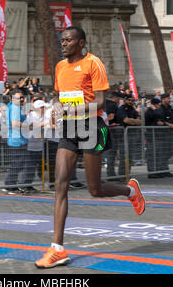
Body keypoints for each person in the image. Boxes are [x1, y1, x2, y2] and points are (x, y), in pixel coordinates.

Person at [34, 26, 145, 269]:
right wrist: (55, 108)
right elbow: (59, 96)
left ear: (81, 43)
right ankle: (57, 249)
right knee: (60, 184)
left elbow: (100, 101)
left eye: (68, 40)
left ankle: (130, 192)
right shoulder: (60, 67)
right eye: (62, 40)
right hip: (69, 129)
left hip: (91, 126)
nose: (63, 44)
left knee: (95, 189)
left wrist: (70, 110)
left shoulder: (93, 63)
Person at [3, 91, 28, 194]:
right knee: (18, 164)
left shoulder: (11, 106)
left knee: (17, 164)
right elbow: (15, 123)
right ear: (12, 99)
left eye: (22, 97)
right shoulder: (15, 108)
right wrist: (29, 126)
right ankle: (9, 185)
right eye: (18, 98)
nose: (21, 99)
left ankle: (10, 184)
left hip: (15, 139)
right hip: (18, 140)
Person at [115, 95, 142, 177]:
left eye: (132, 100)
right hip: (123, 135)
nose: (131, 101)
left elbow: (140, 121)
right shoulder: (122, 108)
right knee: (124, 155)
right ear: (125, 100)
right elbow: (126, 120)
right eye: (129, 100)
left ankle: (127, 173)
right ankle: (122, 174)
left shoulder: (133, 109)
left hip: (132, 134)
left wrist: (132, 121)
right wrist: (134, 121)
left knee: (130, 155)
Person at [103, 92, 121, 179]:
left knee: (109, 153)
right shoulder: (112, 104)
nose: (119, 100)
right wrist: (104, 123)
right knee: (111, 152)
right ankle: (111, 174)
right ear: (115, 97)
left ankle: (111, 173)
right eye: (118, 98)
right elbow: (111, 117)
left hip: (106, 130)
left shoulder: (103, 103)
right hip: (111, 131)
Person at [144, 98, 165, 178]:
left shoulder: (157, 111)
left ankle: (157, 171)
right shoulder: (149, 111)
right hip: (151, 135)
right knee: (152, 154)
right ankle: (152, 172)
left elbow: (160, 117)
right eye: (158, 104)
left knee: (158, 154)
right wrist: (154, 110)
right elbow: (152, 117)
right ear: (155, 104)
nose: (159, 106)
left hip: (157, 135)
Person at [157, 93, 173, 177]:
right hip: (163, 133)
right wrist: (169, 124)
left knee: (170, 151)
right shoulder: (160, 108)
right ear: (163, 99)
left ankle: (164, 168)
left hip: (170, 132)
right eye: (168, 98)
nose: (169, 99)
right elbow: (161, 120)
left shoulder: (170, 108)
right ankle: (163, 170)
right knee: (163, 152)